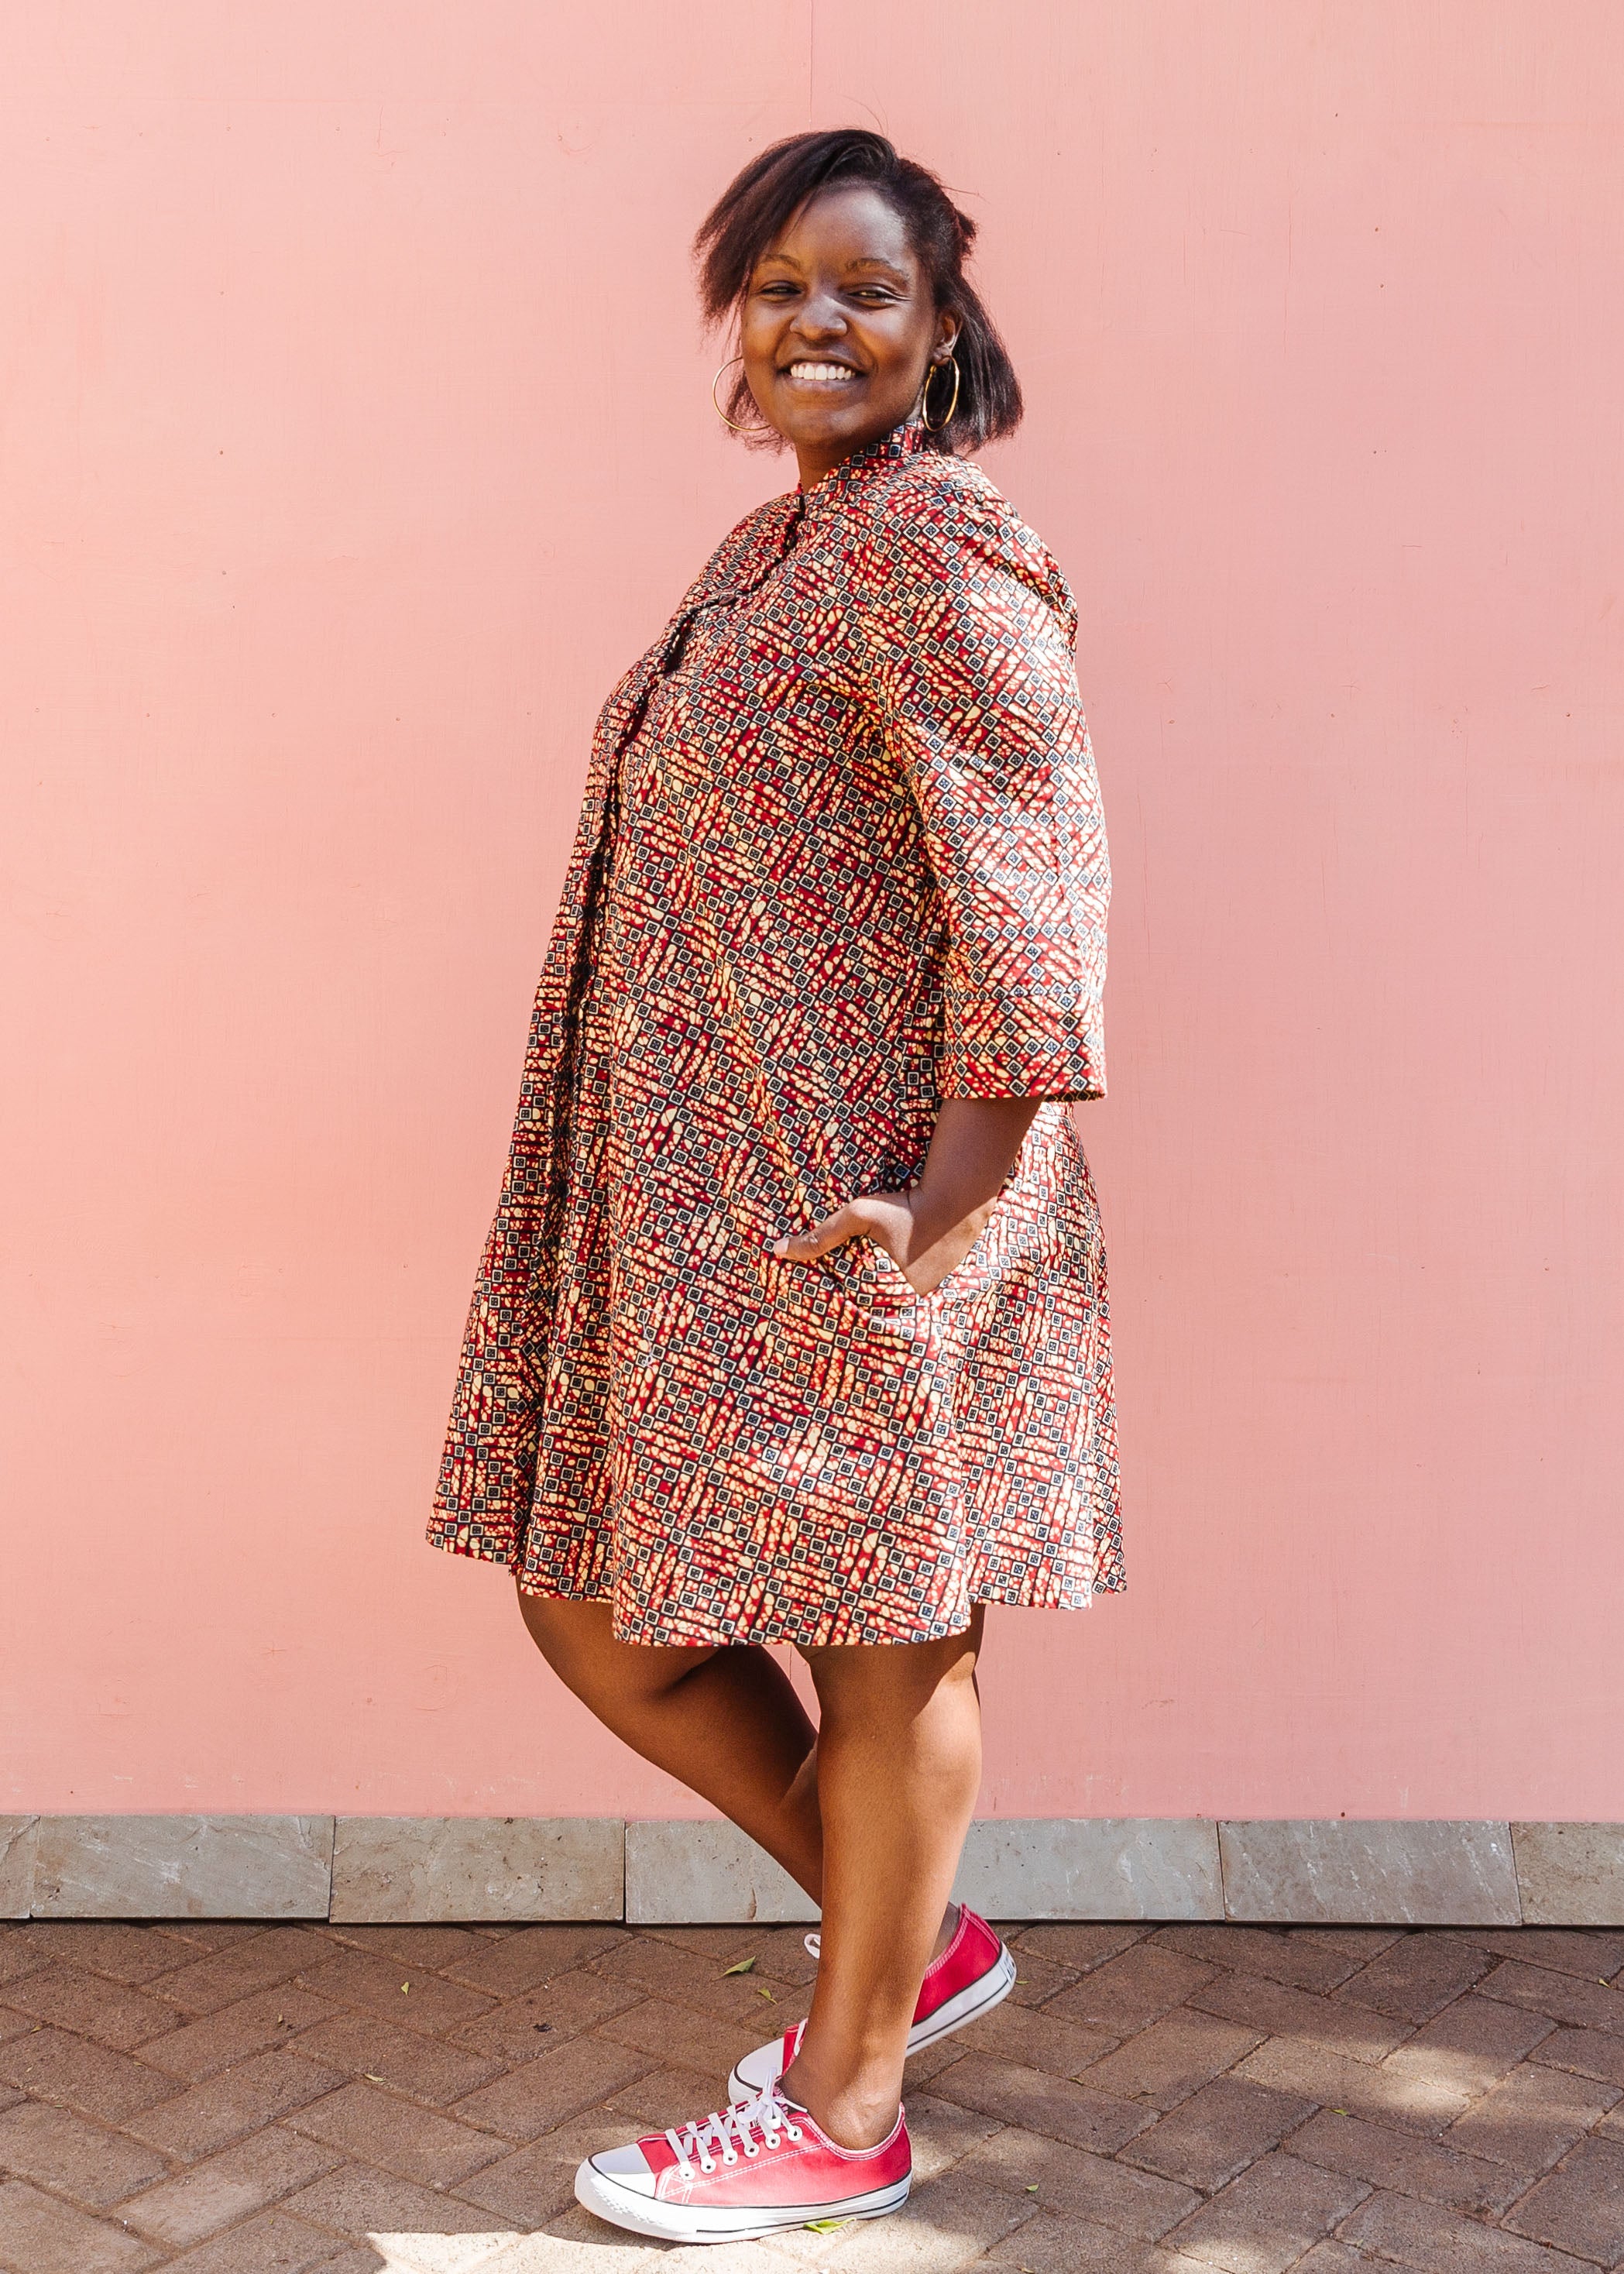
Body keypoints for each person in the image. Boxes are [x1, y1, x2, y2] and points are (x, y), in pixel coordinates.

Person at [429, 126, 1123, 2245]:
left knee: (891, 1641)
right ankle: (902, 1949)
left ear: (942, 324)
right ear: (737, 313)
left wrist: (949, 1189)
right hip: (710, 1203)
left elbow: (1031, 887)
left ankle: (845, 2113)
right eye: (781, 287)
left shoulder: (938, 547)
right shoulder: (773, 548)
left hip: (876, 1204)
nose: (819, 323)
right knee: (597, 1603)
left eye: (870, 291)